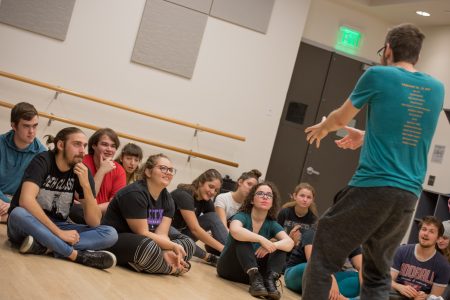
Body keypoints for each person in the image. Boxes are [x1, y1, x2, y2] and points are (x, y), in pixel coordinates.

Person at [302, 23, 445, 299]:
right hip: (408, 195)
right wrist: (368, 136)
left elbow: (341, 118)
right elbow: (406, 132)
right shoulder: (436, 89)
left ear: (388, 49)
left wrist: (323, 127)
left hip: (374, 185)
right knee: (378, 275)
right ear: (418, 54)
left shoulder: (378, 75)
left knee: (322, 258)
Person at [7, 127, 118, 269]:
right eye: (77, 144)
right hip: (30, 223)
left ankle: (44, 247)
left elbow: (94, 222)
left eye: (84, 146)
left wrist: (86, 186)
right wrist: (59, 233)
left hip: (59, 225)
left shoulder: (82, 170)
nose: (82, 151)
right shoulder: (43, 160)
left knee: (110, 233)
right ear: (60, 145)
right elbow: (25, 200)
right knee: (18, 213)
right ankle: (75, 255)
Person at [102, 153, 195, 275]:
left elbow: (161, 233)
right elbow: (142, 232)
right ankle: (171, 268)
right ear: (148, 172)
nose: (168, 172)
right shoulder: (135, 193)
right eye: (163, 168)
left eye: (171, 170)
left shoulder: (168, 199)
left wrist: (167, 251)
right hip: (117, 239)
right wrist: (171, 247)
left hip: (148, 240)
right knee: (149, 247)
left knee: (189, 245)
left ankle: (155, 264)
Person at [217, 182, 294, 300]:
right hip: (229, 268)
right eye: (260, 193)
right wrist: (261, 239)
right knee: (242, 238)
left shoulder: (272, 224)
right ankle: (255, 277)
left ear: (272, 202)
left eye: (269, 195)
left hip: (257, 279)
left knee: (281, 248)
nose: (265, 197)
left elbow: (290, 243)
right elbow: (235, 230)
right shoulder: (242, 216)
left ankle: (269, 282)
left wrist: (273, 245)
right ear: (252, 200)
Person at [284, 227, 362, 300]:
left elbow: (362, 267)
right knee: (309, 267)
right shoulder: (313, 232)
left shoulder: (351, 239)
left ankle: (340, 297)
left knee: (361, 277)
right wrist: (330, 278)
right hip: (299, 273)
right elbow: (314, 261)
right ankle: (331, 294)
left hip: (326, 279)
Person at [0, 102, 47, 222]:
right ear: (14, 126)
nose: (32, 131)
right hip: (2, 201)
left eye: (35, 126)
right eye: (26, 126)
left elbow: (39, 192)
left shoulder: (42, 154)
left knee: (31, 212)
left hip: (19, 204)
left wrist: (12, 205)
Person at [171, 169, 227, 266]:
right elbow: (195, 229)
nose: (212, 192)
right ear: (201, 182)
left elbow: (215, 223)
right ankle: (210, 257)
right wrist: (224, 249)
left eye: (216, 190)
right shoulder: (184, 195)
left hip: (182, 234)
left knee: (212, 217)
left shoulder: (206, 201)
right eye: (211, 186)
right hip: (166, 234)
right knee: (182, 239)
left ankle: (235, 254)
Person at [69, 128, 126, 223]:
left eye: (113, 146)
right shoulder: (81, 162)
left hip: (102, 214)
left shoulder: (119, 170)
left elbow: (114, 203)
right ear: (94, 145)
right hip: (80, 212)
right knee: (77, 210)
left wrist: (94, 210)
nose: (109, 149)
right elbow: (83, 197)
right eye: (104, 144)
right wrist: (102, 171)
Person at [390, 216, 450, 299]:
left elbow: (434, 297)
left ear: (438, 238)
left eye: (431, 231)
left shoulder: (443, 265)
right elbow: (388, 280)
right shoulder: (402, 251)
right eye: (424, 229)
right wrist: (399, 287)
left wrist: (425, 296)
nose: (426, 233)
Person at [277, 183, 318, 249]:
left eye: (309, 197)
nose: (305, 200)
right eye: (302, 196)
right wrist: (289, 239)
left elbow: (311, 245)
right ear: (295, 196)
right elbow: (274, 237)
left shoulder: (313, 219)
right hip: (283, 247)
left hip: (299, 253)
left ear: (312, 200)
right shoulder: (284, 212)